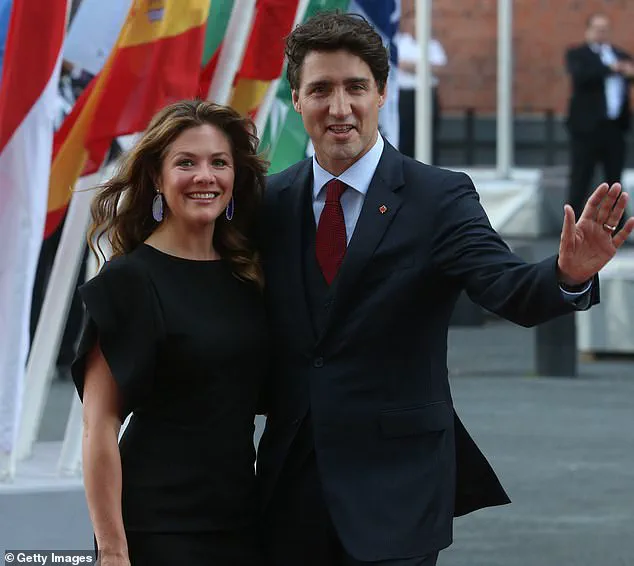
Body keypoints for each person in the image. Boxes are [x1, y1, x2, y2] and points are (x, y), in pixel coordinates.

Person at [256, 12, 634, 566]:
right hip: (289, 495)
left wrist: (567, 274)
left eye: (355, 87)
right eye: (321, 90)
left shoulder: (438, 198)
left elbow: (505, 286)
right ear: (296, 98)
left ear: (382, 93)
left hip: (397, 489)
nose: (339, 108)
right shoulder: (267, 202)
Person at [71, 100, 268, 566]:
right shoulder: (129, 280)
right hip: (157, 524)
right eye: (186, 163)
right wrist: (112, 549)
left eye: (219, 162)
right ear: (157, 178)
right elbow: (99, 426)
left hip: (243, 518)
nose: (205, 176)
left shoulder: (248, 274)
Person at [565, 13, 634, 224]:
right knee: (581, 177)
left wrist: (628, 71)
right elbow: (581, 76)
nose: (601, 33)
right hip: (587, 128)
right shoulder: (579, 54)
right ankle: (572, 224)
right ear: (588, 30)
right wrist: (609, 68)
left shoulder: (620, 54)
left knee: (615, 180)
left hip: (614, 127)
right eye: (597, 29)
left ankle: (615, 226)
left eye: (605, 29)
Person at [394, 6, 446, 163]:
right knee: (405, 134)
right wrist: (423, 67)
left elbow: (440, 69)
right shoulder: (400, 43)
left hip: (427, 94)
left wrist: (413, 66)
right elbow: (399, 64)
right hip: (406, 95)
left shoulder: (433, 45)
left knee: (429, 133)